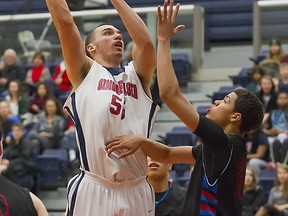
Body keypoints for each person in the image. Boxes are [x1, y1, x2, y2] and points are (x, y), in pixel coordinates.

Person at [105, 1, 264, 215]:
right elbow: (168, 154)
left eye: (225, 101)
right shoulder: (221, 149)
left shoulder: (223, 143)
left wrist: (163, 40)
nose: (216, 102)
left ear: (235, 117)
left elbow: (169, 94)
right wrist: (142, 141)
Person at [45, 0, 158, 215]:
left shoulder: (138, 76)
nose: (118, 36)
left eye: (119, 33)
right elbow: (65, 22)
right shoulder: (86, 72)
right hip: (95, 186)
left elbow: (145, 43)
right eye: (108, 33)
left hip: (138, 189)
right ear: (91, 48)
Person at [0, 130, 48, 216]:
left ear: (22, 132)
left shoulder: (27, 144)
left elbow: (27, 163)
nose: (15, 133)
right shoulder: (33, 201)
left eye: (17, 131)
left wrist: (10, 164)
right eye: (14, 131)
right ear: (0, 149)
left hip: (21, 172)